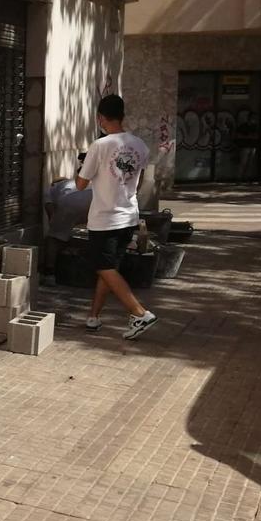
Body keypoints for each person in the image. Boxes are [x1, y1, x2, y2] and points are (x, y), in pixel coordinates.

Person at [76, 95, 159, 340]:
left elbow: (80, 184)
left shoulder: (100, 146)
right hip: (128, 216)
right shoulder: (139, 145)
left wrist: (80, 168)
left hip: (105, 219)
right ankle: (94, 316)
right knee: (109, 268)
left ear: (100, 118)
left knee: (104, 266)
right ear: (122, 116)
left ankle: (139, 313)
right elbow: (140, 181)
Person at [42, 153, 94, 284]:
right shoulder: (70, 183)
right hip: (92, 197)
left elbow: (50, 210)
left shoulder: (52, 188)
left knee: (53, 238)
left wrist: (55, 227)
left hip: (70, 201)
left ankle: (49, 274)